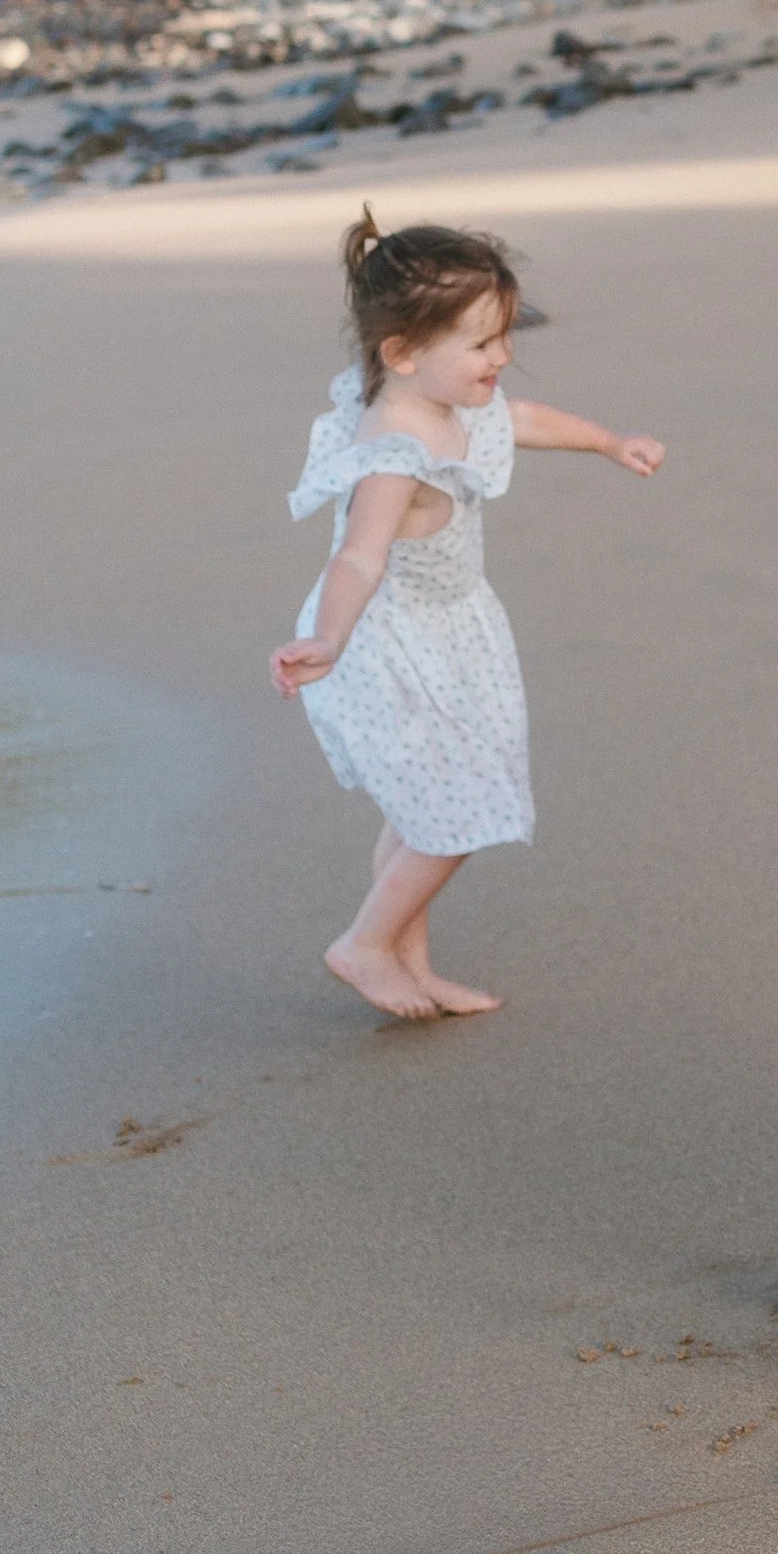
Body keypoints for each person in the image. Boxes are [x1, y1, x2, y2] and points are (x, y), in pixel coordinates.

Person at [271, 210, 665, 1021]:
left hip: (450, 631)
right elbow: (357, 556)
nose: (504, 357)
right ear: (403, 353)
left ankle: (410, 963)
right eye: (483, 344)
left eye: (504, 335)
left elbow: (520, 420)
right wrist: (329, 638)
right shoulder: (395, 452)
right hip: (391, 643)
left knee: (424, 809)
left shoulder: (446, 399)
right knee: (454, 816)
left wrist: (606, 442)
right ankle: (366, 945)